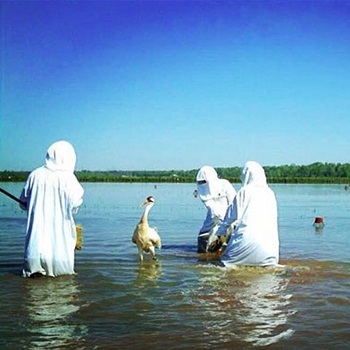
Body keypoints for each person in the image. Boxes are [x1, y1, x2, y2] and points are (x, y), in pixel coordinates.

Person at [20, 140, 84, 277]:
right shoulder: (69, 179)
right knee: (62, 285)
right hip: (59, 251)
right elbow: (76, 203)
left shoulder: (34, 175)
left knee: (33, 291)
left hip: (34, 249)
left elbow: (22, 202)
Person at [216, 161, 279, 267]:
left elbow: (230, 216)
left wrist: (220, 232)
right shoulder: (270, 193)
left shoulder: (244, 191)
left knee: (226, 263)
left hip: (245, 244)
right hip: (270, 252)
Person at [196, 166, 236, 253]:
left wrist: (227, 224)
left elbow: (234, 203)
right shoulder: (202, 190)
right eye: (201, 182)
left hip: (229, 222)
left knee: (224, 249)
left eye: (204, 181)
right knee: (202, 245)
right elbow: (213, 210)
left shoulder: (225, 185)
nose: (202, 184)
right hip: (212, 222)